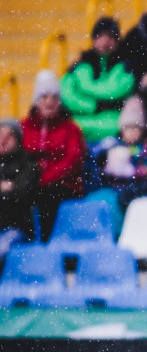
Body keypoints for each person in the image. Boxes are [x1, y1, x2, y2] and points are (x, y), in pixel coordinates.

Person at [21, 71, 87, 239]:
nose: (49, 102)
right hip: (30, 182)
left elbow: (73, 160)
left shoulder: (70, 129)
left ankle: (45, 243)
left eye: (54, 98)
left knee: (47, 196)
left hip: (63, 184)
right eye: (44, 97)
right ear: (36, 101)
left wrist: (44, 178)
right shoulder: (24, 127)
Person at [60, 17, 136, 143]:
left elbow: (117, 90)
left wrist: (89, 100)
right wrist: (95, 106)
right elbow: (67, 95)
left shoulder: (125, 67)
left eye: (110, 37)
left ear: (117, 41)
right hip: (82, 131)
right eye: (100, 36)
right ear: (94, 39)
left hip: (111, 130)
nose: (105, 42)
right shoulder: (80, 67)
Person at [0, 119, 39, 254]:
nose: (3, 140)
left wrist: (9, 192)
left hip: (16, 227)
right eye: (0, 135)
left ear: (18, 140)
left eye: (9, 135)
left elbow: (21, 195)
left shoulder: (28, 164)